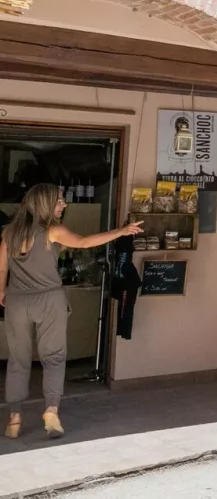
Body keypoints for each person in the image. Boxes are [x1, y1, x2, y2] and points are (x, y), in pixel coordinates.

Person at [2, 184, 142, 439]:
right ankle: (51, 411)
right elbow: (85, 242)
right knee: (54, 357)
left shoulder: (9, 233)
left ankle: (14, 419)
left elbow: (1, 268)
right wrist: (121, 232)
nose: (63, 205)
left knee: (17, 359)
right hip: (49, 301)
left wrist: (1, 292)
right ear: (44, 204)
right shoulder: (52, 230)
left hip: (17, 302)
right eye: (58, 201)